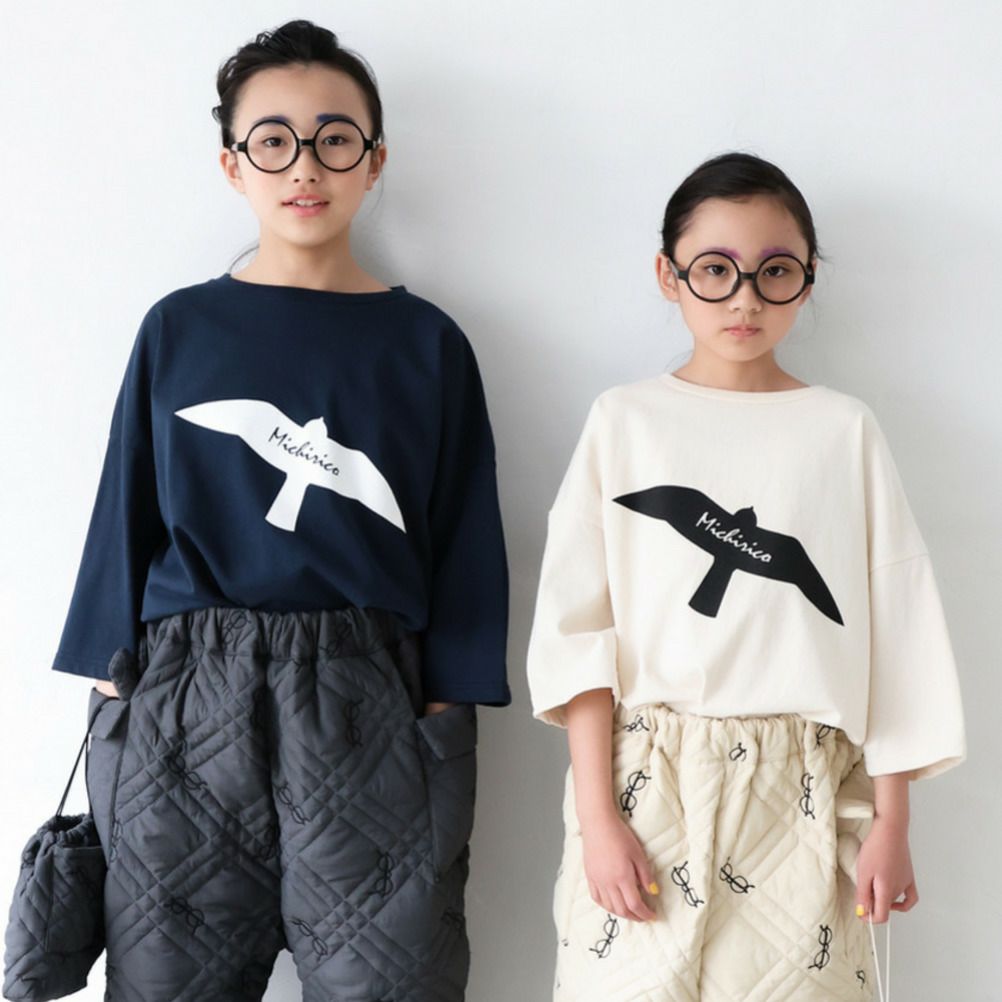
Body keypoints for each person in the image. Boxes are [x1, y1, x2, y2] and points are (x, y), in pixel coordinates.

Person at [51, 20, 508, 1002]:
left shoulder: (425, 343)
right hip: (183, 697)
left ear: (374, 160)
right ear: (233, 164)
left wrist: (445, 711)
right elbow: (124, 509)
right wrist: (111, 694)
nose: (305, 165)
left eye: (334, 139)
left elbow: (466, 538)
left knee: (392, 985)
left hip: (367, 694)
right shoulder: (180, 328)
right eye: (273, 140)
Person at [526, 152, 965, 1001]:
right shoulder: (626, 422)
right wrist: (597, 818)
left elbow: (899, 633)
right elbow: (578, 633)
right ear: (669, 274)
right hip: (647, 786)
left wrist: (893, 821)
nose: (745, 299)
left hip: (804, 794)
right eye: (716, 270)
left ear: (807, 279)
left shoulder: (842, 431)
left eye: (775, 272)